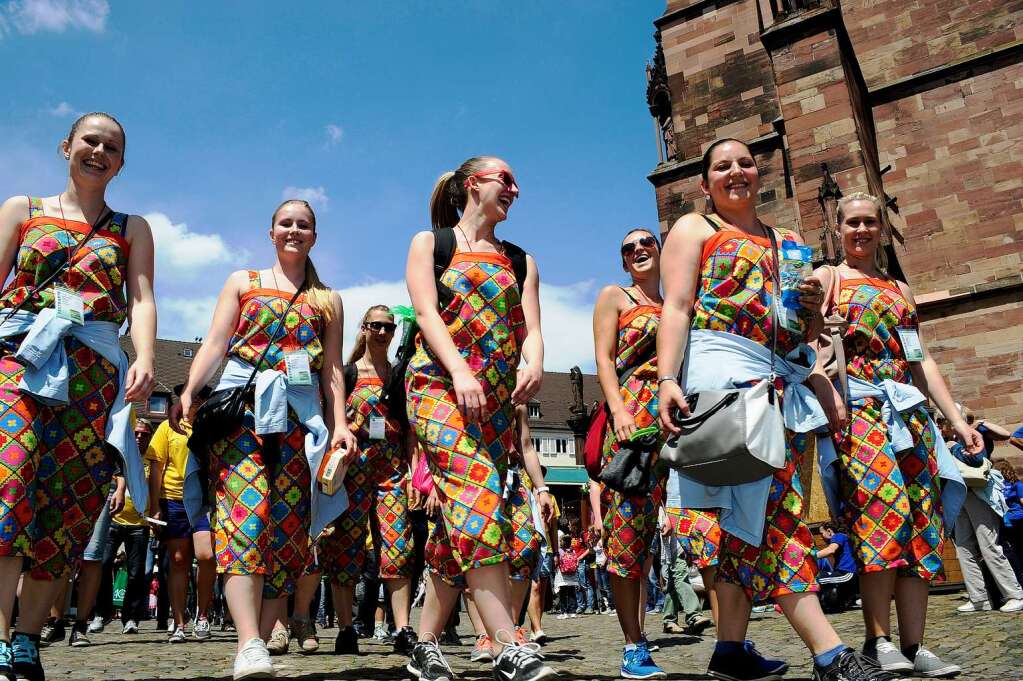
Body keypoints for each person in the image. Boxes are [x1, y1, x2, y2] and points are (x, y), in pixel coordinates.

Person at [657, 138, 896, 681]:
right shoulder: (696, 229)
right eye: (722, 166)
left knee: (749, 519)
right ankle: (831, 654)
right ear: (704, 183)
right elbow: (676, 306)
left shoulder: (787, 240)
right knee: (774, 515)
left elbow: (800, 333)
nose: (735, 172)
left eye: (744, 162)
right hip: (729, 387)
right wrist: (668, 379)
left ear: (757, 173)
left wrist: (811, 317)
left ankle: (730, 651)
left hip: (781, 387)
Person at [170, 199, 357, 680]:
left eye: (304, 225)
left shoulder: (328, 300)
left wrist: (340, 424)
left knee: (290, 534)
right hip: (244, 416)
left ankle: (262, 640)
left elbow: (332, 369)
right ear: (271, 231)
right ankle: (249, 643)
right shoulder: (243, 282)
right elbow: (216, 342)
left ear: (314, 236)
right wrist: (190, 389)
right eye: (286, 223)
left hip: (300, 421)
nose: (294, 230)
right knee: (245, 520)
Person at [0, 112, 156, 681]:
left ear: (120, 162)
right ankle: (0, 635)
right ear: (66, 145)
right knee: (9, 484)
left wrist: (141, 356)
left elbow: (141, 300)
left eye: (111, 146)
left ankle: (26, 638)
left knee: (67, 504)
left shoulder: (130, 227)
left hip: (91, 377)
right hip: (20, 362)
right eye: (89, 140)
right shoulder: (23, 210)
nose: (98, 151)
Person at [808, 192, 980, 675]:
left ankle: (914, 645)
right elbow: (802, 341)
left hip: (910, 416)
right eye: (852, 223)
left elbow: (920, 363)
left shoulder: (899, 289)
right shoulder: (829, 278)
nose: (861, 230)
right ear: (838, 231)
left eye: (869, 223)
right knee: (881, 516)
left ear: (880, 230)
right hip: (861, 413)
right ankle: (877, 639)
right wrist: (828, 379)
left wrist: (957, 420)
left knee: (923, 522)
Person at [403, 156, 551, 681]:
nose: (515, 187)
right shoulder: (432, 244)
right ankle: (509, 643)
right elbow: (425, 314)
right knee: (479, 496)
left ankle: (423, 646)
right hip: (439, 388)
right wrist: (461, 370)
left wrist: (533, 360)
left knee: (457, 522)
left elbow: (530, 327)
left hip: (492, 405)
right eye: (505, 179)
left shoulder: (520, 259)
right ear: (473, 185)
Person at [591, 227, 669, 680]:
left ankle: (732, 640)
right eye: (628, 248)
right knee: (627, 540)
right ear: (623, 261)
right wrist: (619, 409)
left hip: (680, 421)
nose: (639, 250)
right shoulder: (615, 296)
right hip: (635, 421)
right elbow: (604, 358)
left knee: (697, 531)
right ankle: (633, 645)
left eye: (646, 243)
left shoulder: (684, 298)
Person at [318, 305, 417, 656]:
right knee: (346, 547)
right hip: (353, 470)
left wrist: (411, 470)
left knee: (397, 547)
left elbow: (409, 429)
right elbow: (332, 421)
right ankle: (347, 629)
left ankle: (403, 628)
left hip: (390, 470)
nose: (382, 332)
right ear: (364, 328)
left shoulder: (399, 374)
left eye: (389, 327)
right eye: (376, 325)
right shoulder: (347, 373)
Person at [146, 384, 216, 644]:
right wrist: (154, 505)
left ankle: (203, 615)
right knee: (177, 560)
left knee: (206, 555)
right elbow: (156, 467)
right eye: (190, 394)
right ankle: (179, 623)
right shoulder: (168, 427)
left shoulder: (210, 425)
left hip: (203, 499)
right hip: (173, 499)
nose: (195, 399)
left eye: (200, 395)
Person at [942, 411, 1023, 615]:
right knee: (963, 547)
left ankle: (1014, 594)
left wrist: (976, 426)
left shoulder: (977, 433)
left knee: (989, 545)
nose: (944, 424)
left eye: (946, 420)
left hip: (978, 493)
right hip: (956, 494)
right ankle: (978, 597)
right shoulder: (944, 441)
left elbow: (1004, 436)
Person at [101, 418, 155, 635]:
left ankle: (130, 618)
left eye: (144, 434)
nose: (140, 437)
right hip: (114, 519)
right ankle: (102, 612)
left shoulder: (152, 458)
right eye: (136, 433)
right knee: (103, 565)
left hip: (140, 523)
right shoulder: (119, 454)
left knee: (136, 574)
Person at [67, 474, 125, 646]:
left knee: (92, 555)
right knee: (60, 554)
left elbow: (122, 452)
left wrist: (121, 486)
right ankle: (53, 621)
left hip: (102, 480)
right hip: (60, 479)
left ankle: (80, 625)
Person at [814, 523, 858, 615]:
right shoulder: (843, 537)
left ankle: (814, 608)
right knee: (824, 577)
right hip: (844, 573)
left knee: (816, 580)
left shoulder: (838, 536)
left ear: (829, 531)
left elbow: (830, 550)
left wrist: (809, 557)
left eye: (822, 533)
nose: (821, 537)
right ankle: (828, 604)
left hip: (846, 573)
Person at [995, 459, 1023, 582]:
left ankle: (1018, 576)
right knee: (1019, 548)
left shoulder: (997, 488)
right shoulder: (1017, 485)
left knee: (1011, 550)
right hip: (1019, 519)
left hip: (1005, 522)